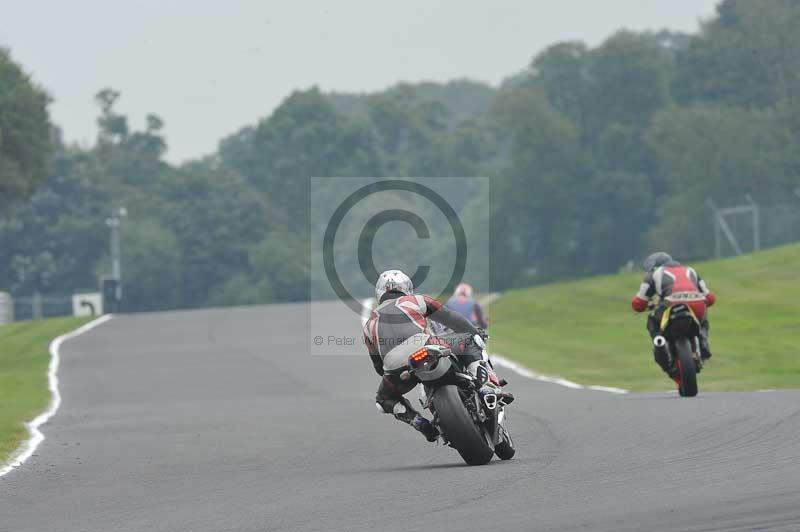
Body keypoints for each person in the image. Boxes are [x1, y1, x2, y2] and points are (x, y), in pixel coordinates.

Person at [363, 270, 507, 442]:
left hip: (397, 367)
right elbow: (450, 318)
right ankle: (485, 387)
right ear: (407, 288)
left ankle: (418, 422)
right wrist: (474, 332)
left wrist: (398, 373)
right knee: (469, 341)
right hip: (426, 347)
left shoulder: (369, 324)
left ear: (379, 293)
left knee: (382, 400)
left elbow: (379, 367)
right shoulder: (416, 300)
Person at [631, 252, 716, 377]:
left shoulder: (654, 274)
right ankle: (703, 345)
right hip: (696, 304)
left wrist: (644, 307)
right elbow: (710, 298)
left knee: (652, 320)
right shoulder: (691, 270)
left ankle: (660, 344)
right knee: (703, 322)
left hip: (670, 304)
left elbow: (638, 303)